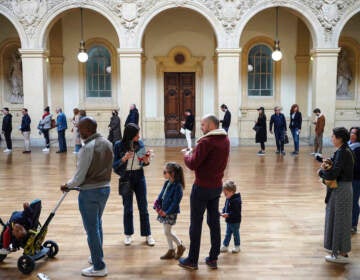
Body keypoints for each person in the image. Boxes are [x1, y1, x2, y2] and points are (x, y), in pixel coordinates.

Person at [61, 117, 113, 277]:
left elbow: (79, 177)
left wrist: (67, 185)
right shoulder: (107, 143)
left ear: (88, 130)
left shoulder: (87, 148)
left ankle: (99, 267)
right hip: (105, 189)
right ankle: (97, 256)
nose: (78, 132)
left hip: (90, 193)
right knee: (97, 225)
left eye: (80, 129)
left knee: (91, 230)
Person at [179, 114, 230, 270]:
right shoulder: (225, 140)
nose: (201, 127)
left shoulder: (206, 142)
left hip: (201, 188)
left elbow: (193, 164)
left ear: (210, 125)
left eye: (202, 125)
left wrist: (186, 155)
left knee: (196, 223)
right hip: (216, 187)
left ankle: (192, 261)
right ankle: (213, 258)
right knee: (214, 222)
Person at [113, 123, 155, 246]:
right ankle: (128, 234)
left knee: (143, 207)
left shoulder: (140, 144)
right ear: (130, 135)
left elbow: (144, 163)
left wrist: (147, 160)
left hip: (139, 177)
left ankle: (148, 234)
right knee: (128, 208)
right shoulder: (118, 146)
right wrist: (124, 159)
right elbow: (114, 166)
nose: (139, 136)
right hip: (126, 178)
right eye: (136, 135)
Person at [318, 127, 354, 264]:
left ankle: (336, 253)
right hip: (344, 188)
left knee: (338, 220)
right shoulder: (344, 150)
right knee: (342, 219)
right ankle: (342, 250)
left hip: (341, 189)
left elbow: (334, 173)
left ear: (339, 138)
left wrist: (321, 173)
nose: (331, 138)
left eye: (333, 136)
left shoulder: (343, 152)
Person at [154, 162, 186, 260]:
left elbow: (175, 203)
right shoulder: (167, 182)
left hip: (170, 212)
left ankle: (180, 245)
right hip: (163, 210)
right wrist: (157, 203)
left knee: (167, 232)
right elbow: (161, 194)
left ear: (172, 174)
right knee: (167, 231)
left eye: (165, 172)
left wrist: (166, 212)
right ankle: (171, 250)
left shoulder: (178, 187)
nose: (163, 173)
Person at [220, 180, 242, 254]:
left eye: (226, 193)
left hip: (235, 221)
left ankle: (237, 246)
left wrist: (228, 214)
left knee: (236, 234)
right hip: (229, 220)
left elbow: (236, 212)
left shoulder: (236, 201)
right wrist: (223, 211)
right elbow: (225, 206)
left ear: (232, 192)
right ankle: (225, 245)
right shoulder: (229, 198)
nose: (225, 195)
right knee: (228, 233)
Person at [348, 127, 360, 233]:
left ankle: (353, 224)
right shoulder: (348, 146)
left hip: (356, 179)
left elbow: (358, 166)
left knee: (354, 202)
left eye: (354, 133)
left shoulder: (358, 148)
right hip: (347, 179)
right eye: (351, 132)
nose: (352, 134)